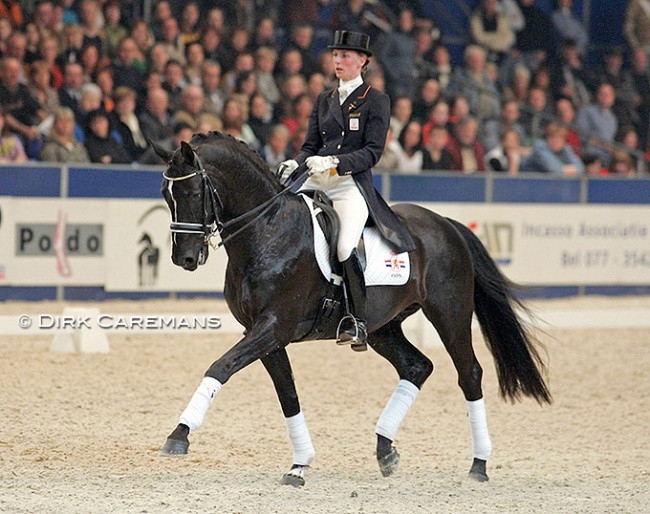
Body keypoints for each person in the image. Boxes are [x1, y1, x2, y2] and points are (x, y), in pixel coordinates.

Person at [277, 30, 415, 349]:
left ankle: (357, 320)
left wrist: (334, 162)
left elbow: (372, 152)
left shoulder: (376, 100)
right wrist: (294, 163)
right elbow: (310, 145)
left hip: (349, 184)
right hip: (316, 179)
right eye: (336, 55)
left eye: (346, 56)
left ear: (363, 61)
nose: (338, 61)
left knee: (343, 247)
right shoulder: (324, 98)